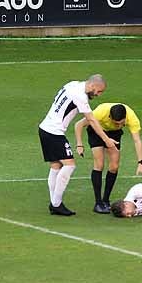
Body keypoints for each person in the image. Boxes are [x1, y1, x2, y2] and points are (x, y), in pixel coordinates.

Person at [37, 74, 116, 216]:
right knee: (70, 165)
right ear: (92, 86)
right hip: (54, 132)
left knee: (56, 166)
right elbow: (91, 120)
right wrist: (106, 140)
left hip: (45, 128)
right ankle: (56, 204)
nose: (98, 95)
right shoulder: (80, 96)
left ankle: (55, 203)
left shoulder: (72, 84)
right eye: (98, 91)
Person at [73, 102, 142, 213]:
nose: (119, 125)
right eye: (116, 123)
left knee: (114, 166)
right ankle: (98, 203)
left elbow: (137, 140)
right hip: (96, 131)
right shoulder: (100, 113)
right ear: (109, 117)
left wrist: (141, 162)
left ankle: (106, 200)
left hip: (114, 134)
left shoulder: (131, 117)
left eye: (121, 123)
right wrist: (79, 144)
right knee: (99, 164)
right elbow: (78, 125)